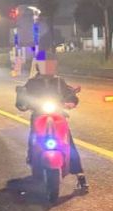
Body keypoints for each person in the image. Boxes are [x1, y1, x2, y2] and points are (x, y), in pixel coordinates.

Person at [15, 57, 89, 192]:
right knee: (33, 139)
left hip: (58, 115)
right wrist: (23, 103)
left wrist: (71, 102)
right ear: (39, 67)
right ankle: (32, 159)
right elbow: (23, 98)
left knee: (69, 143)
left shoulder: (59, 82)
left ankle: (80, 174)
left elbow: (70, 94)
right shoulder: (32, 83)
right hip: (39, 115)